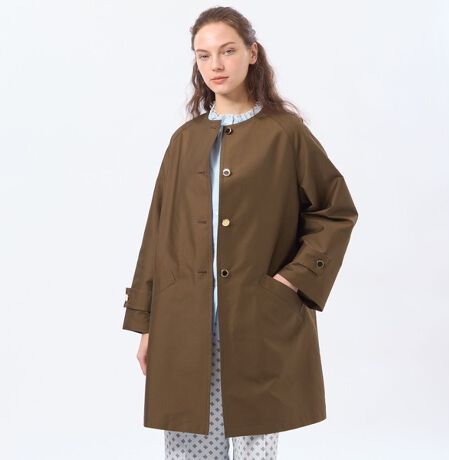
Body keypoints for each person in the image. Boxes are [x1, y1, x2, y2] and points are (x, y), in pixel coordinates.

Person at [122, 6, 358, 460]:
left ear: (252, 53)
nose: (216, 64)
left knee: (254, 441)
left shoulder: (285, 133)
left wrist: (293, 280)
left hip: (256, 317)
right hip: (184, 321)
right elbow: (158, 233)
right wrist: (146, 323)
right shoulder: (184, 140)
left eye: (227, 51)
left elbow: (335, 211)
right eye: (204, 55)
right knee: (189, 443)